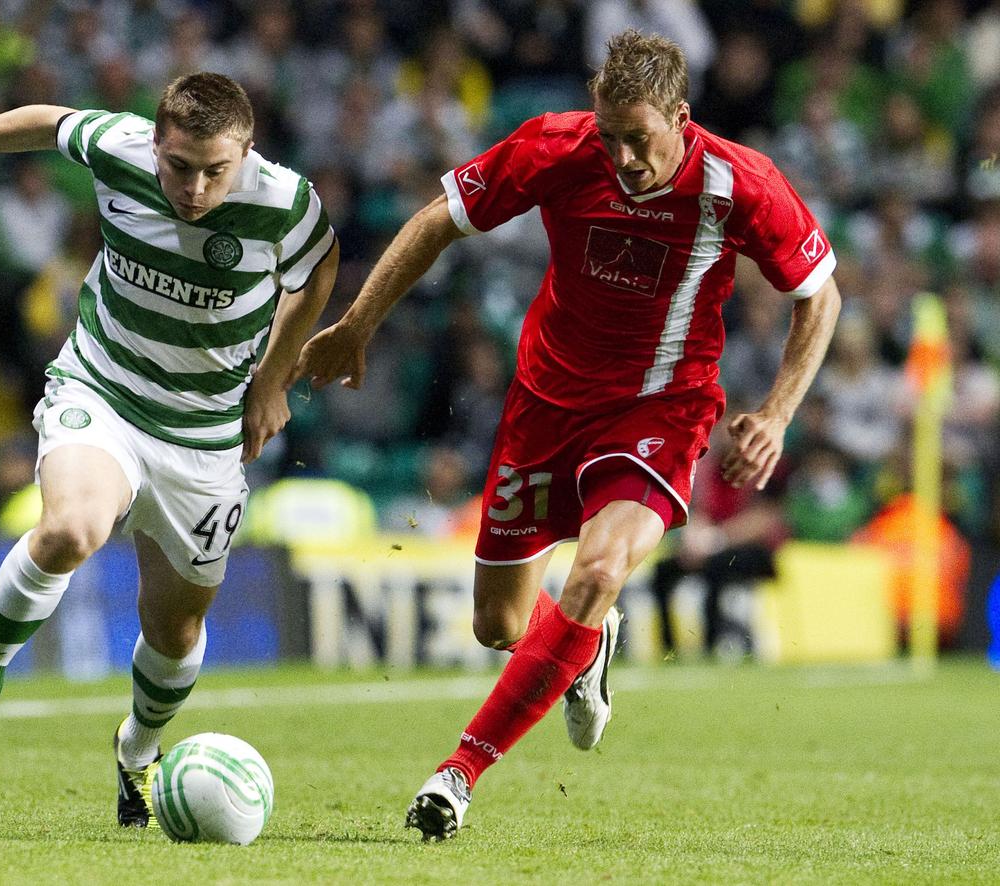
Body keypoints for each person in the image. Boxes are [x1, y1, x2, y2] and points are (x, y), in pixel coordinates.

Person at [294, 29, 840, 840]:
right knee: (500, 628)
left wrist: (779, 410)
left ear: (682, 118)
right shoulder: (555, 146)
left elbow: (819, 295)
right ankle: (588, 642)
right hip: (545, 406)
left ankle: (458, 773)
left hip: (661, 408)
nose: (622, 156)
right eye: (610, 136)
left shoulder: (739, 182)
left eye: (640, 139)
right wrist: (357, 323)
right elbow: (437, 221)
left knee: (598, 569)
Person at [0, 73, 338, 828]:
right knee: (72, 528)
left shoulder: (285, 201)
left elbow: (321, 267)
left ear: (248, 151)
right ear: (156, 142)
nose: (196, 189)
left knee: (175, 630)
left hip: (205, 437)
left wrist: (275, 376)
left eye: (217, 171)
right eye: (180, 167)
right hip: (102, 391)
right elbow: (48, 121)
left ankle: (138, 752)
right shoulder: (118, 146)